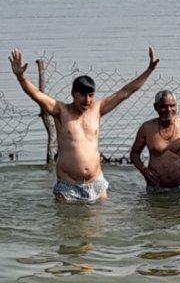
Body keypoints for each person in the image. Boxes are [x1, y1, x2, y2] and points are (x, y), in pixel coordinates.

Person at [8, 47, 159, 202]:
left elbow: (125, 92)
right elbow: (37, 95)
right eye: (82, 95)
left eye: (90, 95)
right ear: (73, 93)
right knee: (66, 226)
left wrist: (149, 70)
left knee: (98, 226)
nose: (87, 100)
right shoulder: (60, 110)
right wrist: (21, 78)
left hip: (97, 184)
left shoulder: (97, 109)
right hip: (68, 186)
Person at [130, 90, 180, 189]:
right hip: (155, 185)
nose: (169, 110)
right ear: (156, 107)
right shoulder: (147, 128)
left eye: (172, 106)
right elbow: (134, 153)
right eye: (164, 106)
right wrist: (144, 171)